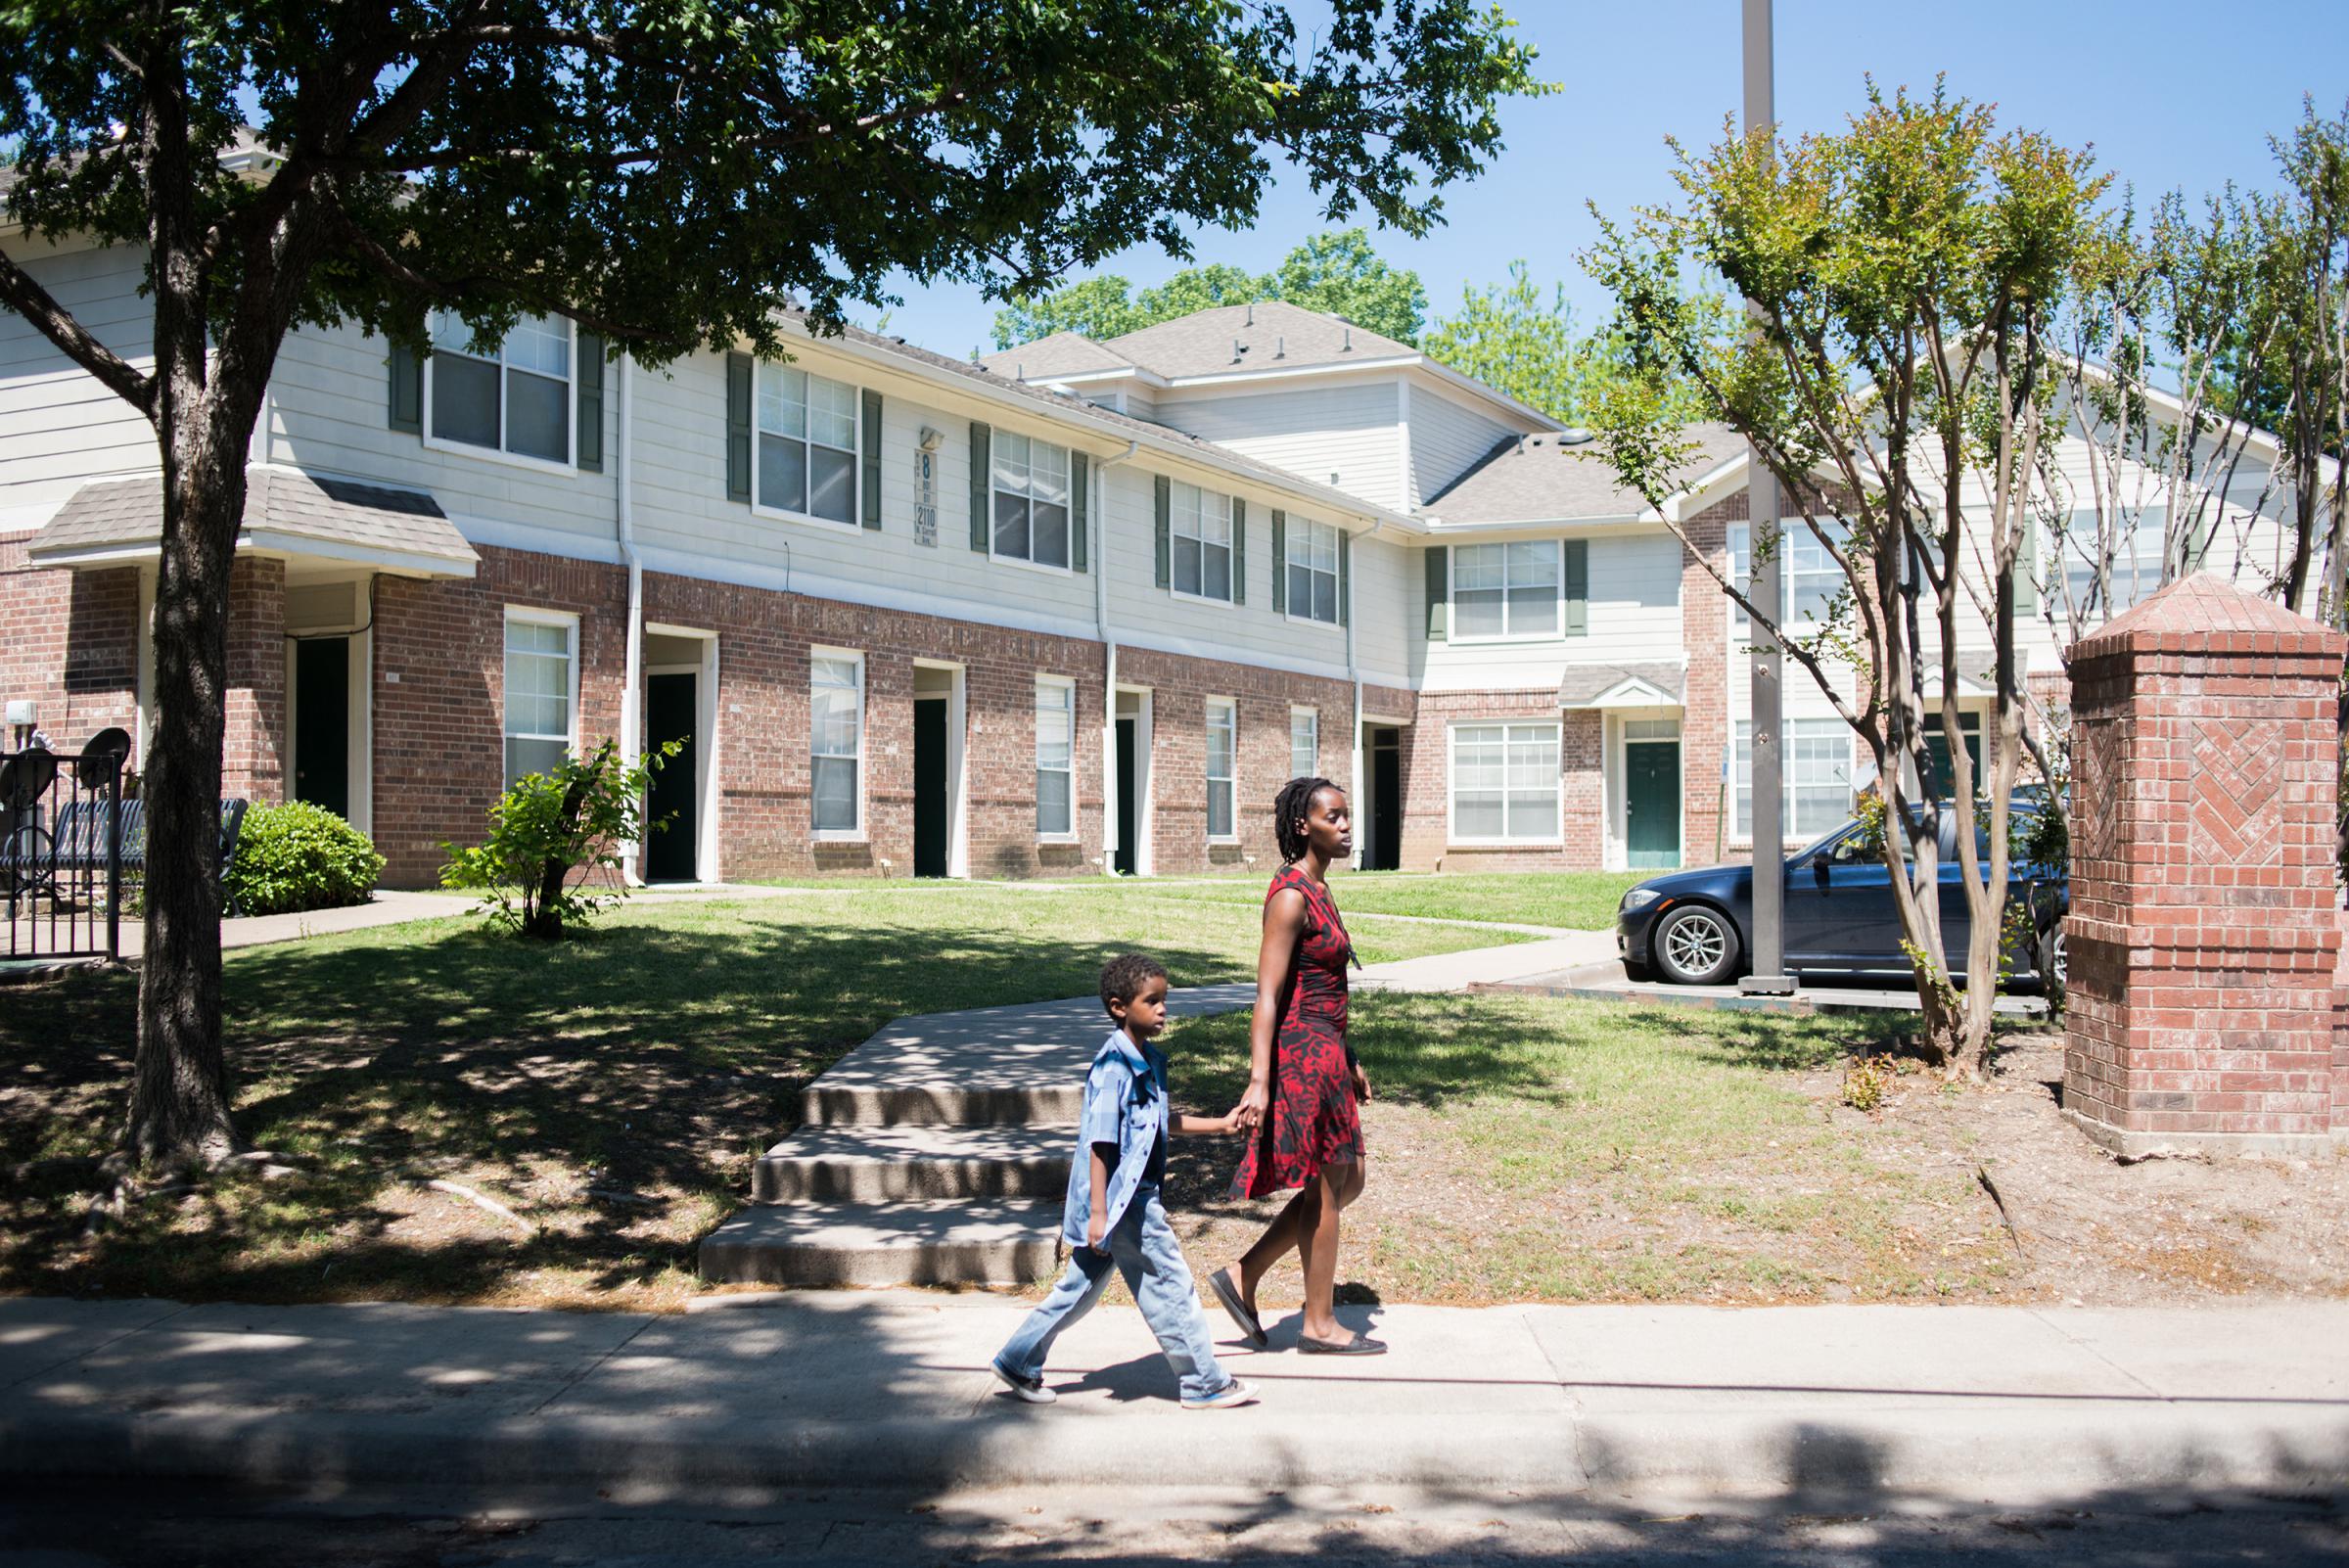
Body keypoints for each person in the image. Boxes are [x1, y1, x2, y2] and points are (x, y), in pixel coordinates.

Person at [991, 952, 1259, 1409]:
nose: (1162, 1009)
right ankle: (1203, 1382)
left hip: (1121, 1201)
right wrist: (1099, 1213)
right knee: (1170, 1284)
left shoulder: (1147, 1060)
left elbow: (1157, 1121)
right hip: (1124, 1202)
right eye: (1152, 1001)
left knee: (1079, 1288)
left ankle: (1018, 1359)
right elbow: (1101, 1144)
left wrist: (1220, 1125)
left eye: (1164, 1000)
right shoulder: (1113, 1067)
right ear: (1119, 1007)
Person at [1209, 776, 1384, 1356]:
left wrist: (1350, 1055)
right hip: (1303, 1056)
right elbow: (1267, 996)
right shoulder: (1290, 896)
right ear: (1303, 824)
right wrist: (1259, 1080)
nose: (1345, 826)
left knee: (1346, 1178)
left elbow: (1326, 983)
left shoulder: (1318, 887)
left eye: (1346, 816)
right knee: (1330, 1186)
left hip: (1329, 1051)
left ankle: (1244, 1274)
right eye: (1333, 817)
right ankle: (1319, 1324)